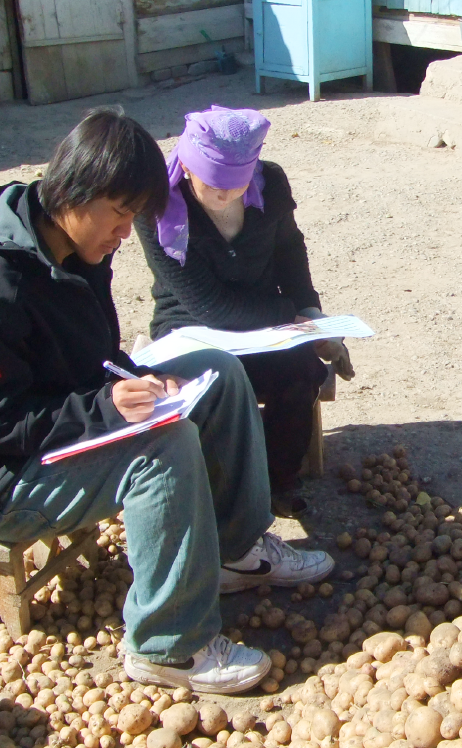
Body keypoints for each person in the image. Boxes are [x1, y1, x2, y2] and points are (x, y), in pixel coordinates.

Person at [0, 108, 334, 694]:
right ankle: (167, 644)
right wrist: (105, 408)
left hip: (67, 420)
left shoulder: (77, 243)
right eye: (121, 214)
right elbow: (7, 423)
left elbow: (90, 356)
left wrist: (130, 378)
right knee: (164, 445)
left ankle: (237, 551)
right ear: (80, 192)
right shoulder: (6, 279)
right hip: (15, 475)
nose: (126, 233)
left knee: (219, 374)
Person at [134, 106, 353, 518]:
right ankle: (213, 488)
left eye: (235, 188)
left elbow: (290, 250)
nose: (224, 198)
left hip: (264, 323)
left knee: (300, 371)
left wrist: (312, 315)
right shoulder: (156, 208)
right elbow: (209, 305)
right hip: (191, 323)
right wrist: (288, 313)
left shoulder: (270, 182)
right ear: (186, 166)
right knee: (209, 384)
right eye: (213, 186)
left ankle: (273, 482)